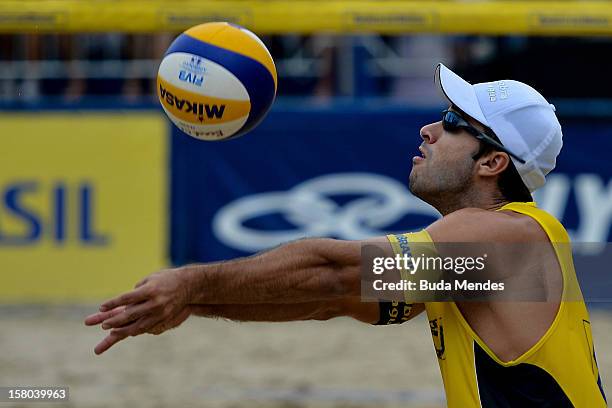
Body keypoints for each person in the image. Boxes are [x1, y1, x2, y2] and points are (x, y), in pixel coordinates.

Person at [85, 63, 607, 407]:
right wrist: (189, 303)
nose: (428, 128)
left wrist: (193, 285)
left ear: (493, 161)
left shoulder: (501, 243)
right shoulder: (478, 265)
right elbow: (328, 298)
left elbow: (338, 274)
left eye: (452, 120)